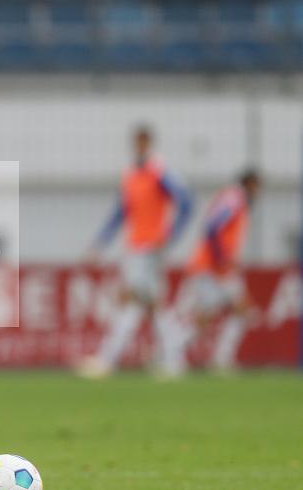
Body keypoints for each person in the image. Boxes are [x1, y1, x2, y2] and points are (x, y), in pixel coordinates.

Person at [78, 126, 192, 378]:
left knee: (134, 301)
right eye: (136, 143)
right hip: (135, 245)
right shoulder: (130, 175)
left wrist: (171, 235)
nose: (139, 147)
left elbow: (186, 202)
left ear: (150, 144)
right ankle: (174, 361)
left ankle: (108, 360)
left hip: (150, 247)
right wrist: (100, 241)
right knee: (150, 306)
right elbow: (120, 213)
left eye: (143, 142)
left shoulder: (160, 172)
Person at [164, 169, 262, 373]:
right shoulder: (235, 199)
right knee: (208, 314)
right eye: (257, 187)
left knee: (239, 310)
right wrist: (221, 258)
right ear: (251, 184)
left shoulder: (233, 198)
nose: (258, 193)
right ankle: (172, 351)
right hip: (210, 266)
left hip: (218, 267)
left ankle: (221, 358)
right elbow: (212, 227)